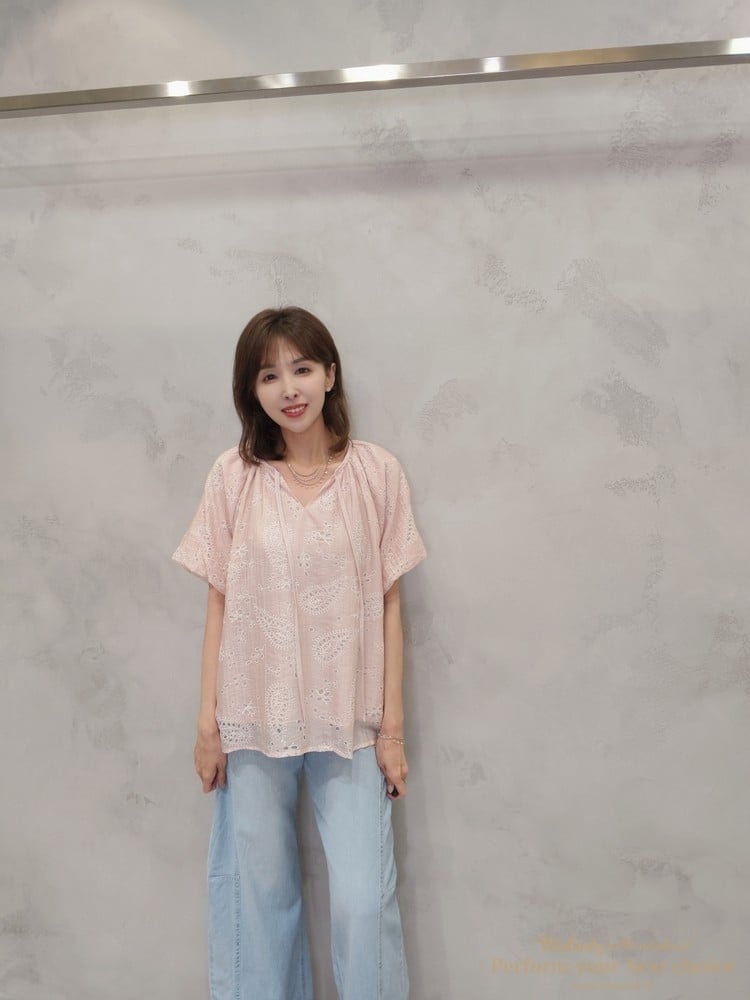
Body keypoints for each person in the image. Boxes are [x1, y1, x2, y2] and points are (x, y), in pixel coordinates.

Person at [172, 306, 426, 1000]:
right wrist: (207, 725)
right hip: (252, 719)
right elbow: (219, 604)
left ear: (330, 375)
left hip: (351, 722)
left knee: (362, 903)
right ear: (251, 391)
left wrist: (393, 731)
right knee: (257, 899)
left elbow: (390, 604)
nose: (289, 388)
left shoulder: (376, 474)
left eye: (302, 368)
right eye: (269, 375)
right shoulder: (234, 477)